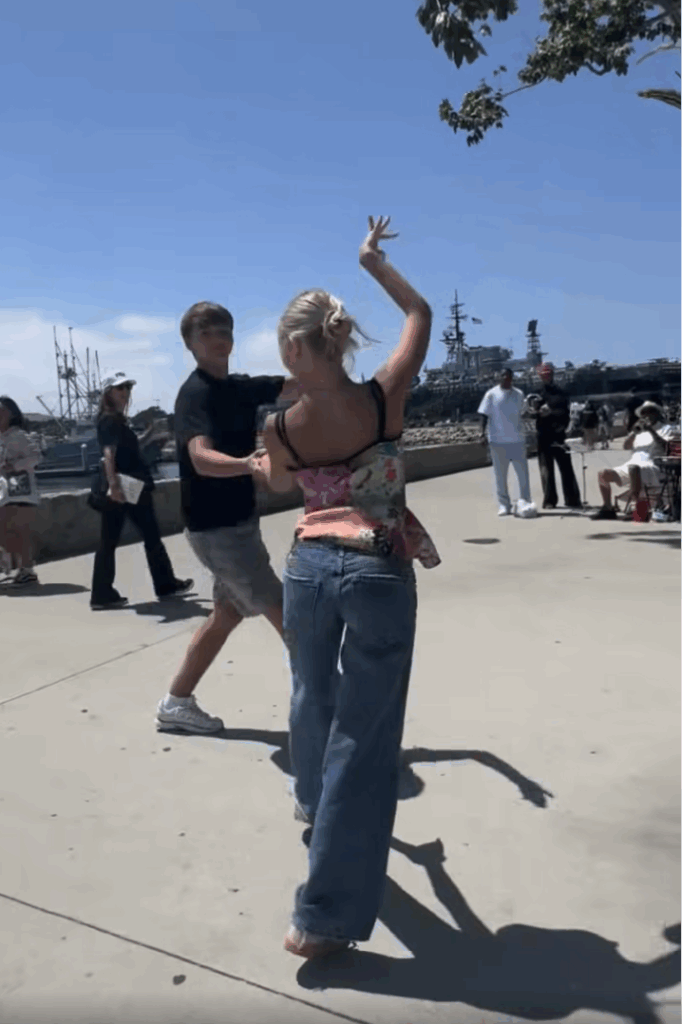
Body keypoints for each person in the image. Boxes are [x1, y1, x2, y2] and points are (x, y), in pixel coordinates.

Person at [255, 216, 440, 959]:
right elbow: (420, 313)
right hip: (375, 565)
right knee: (365, 739)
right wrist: (371, 261)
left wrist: (261, 460)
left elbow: (277, 484)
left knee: (309, 691)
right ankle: (322, 917)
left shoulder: (279, 426)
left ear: (293, 351)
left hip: (308, 566)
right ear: (337, 341)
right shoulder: (382, 396)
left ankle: (310, 800)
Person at [156, 303, 298, 734]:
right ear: (190, 343)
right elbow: (200, 457)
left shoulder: (239, 388)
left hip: (238, 523)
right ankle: (335, 714)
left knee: (226, 615)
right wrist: (248, 464)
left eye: (226, 330)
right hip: (216, 529)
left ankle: (175, 702)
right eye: (208, 332)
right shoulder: (194, 394)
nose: (220, 338)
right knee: (289, 617)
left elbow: (299, 385)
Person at [90, 371, 193, 610]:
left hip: (127, 485)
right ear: (108, 393)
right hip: (126, 486)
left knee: (117, 539)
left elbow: (128, 448)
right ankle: (164, 585)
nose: (125, 392)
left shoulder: (116, 420)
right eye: (120, 388)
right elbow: (109, 454)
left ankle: (103, 594)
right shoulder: (109, 420)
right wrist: (114, 486)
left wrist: (149, 435)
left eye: (128, 388)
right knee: (146, 535)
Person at [592, 401, 676, 521]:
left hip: (654, 466)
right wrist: (633, 433)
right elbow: (626, 446)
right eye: (643, 414)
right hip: (633, 464)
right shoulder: (639, 432)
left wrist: (652, 431)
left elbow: (667, 448)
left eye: (649, 412)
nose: (646, 416)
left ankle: (639, 511)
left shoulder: (666, 429)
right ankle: (608, 508)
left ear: (657, 413)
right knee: (603, 474)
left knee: (633, 468)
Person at [477, 369, 532, 516]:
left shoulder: (519, 394)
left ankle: (525, 501)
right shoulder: (491, 394)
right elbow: (483, 415)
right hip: (497, 441)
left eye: (508, 376)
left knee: (523, 475)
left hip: (518, 440)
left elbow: (524, 413)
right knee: (500, 476)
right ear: (499, 377)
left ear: (512, 378)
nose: (506, 378)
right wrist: (481, 433)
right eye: (503, 376)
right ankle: (504, 505)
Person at [0, 396, 42, 586]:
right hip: (5, 491)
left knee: (20, 531)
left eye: (1, 410)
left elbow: (36, 457)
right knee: (10, 530)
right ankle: (17, 565)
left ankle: (26, 570)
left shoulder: (19, 435)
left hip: (20, 490)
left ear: (11, 414)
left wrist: (15, 466)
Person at [534, 363, 582, 510]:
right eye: (543, 374)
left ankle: (572, 499)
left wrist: (551, 412)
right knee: (546, 470)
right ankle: (549, 501)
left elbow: (565, 412)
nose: (546, 376)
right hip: (543, 435)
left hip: (560, 434)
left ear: (552, 374)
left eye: (548, 374)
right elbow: (531, 413)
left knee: (566, 467)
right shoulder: (536, 394)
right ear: (540, 376)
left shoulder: (562, 392)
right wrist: (536, 412)